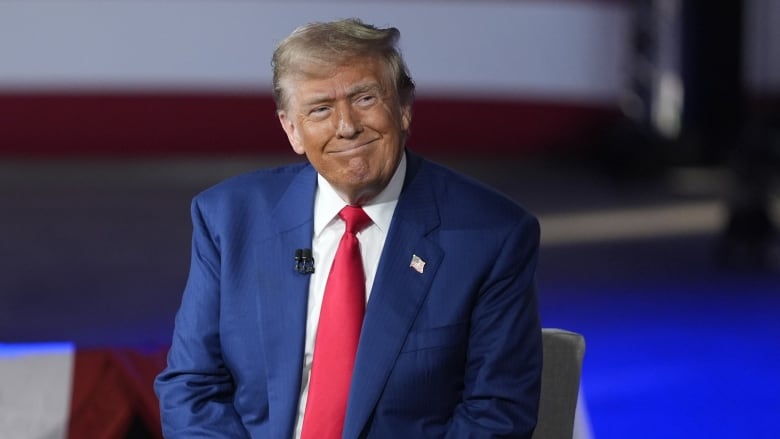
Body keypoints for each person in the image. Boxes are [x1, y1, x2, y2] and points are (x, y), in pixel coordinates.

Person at [154, 18, 542, 438]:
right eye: (321, 108)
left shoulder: (492, 235)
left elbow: (495, 413)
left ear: (404, 108)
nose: (347, 126)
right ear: (291, 129)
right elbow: (192, 388)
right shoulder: (229, 219)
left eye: (365, 98)